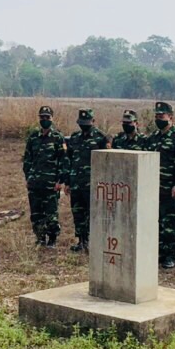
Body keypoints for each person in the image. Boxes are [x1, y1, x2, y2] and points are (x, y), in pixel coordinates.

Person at [144, 101, 175, 270]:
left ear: (170, 117)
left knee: (169, 222)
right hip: (152, 188)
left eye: (161, 116)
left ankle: (171, 256)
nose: (158, 119)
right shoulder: (152, 138)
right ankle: (158, 254)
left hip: (169, 188)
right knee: (154, 222)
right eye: (156, 116)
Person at [62, 108, 110, 252]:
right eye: (81, 123)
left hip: (93, 185)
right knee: (78, 213)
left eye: (87, 122)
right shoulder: (75, 137)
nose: (84, 125)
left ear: (93, 121)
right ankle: (82, 241)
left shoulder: (101, 138)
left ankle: (94, 242)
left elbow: (106, 162)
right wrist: (68, 182)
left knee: (93, 215)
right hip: (76, 183)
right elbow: (68, 160)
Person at [22, 105, 67, 247]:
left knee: (51, 215)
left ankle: (52, 239)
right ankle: (40, 238)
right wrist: (28, 177)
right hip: (35, 183)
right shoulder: (33, 137)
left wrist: (60, 181)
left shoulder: (58, 138)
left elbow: (63, 161)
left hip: (51, 184)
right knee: (36, 214)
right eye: (42, 117)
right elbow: (27, 160)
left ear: (52, 119)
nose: (44, 120)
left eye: (47, 117)